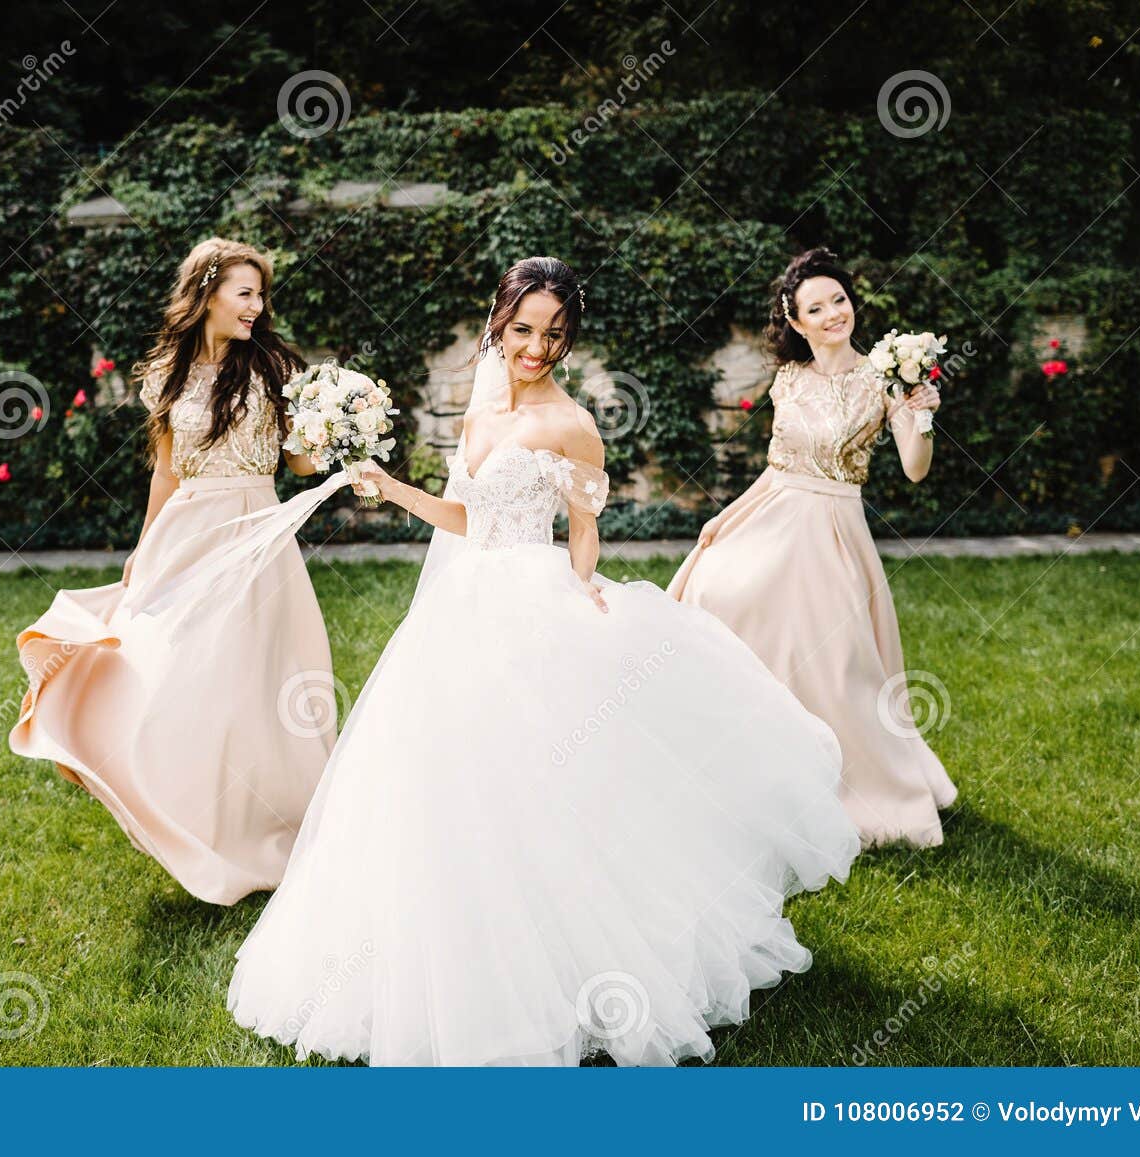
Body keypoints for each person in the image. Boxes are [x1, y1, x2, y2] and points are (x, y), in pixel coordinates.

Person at [223, 256, 860, 1066]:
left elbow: (584, 528)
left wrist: (585, 590)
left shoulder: (573, 423)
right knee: (433, 786)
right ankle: (436, 956)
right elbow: (465, 515)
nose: (535, 347)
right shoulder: (480, 415)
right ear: (499, 321)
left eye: (553, 334)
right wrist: (389, 486)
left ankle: (569, 962)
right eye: (523, 329)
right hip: (458, 614)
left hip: (534, 598)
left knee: (543, 785)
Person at [8, 238, 336, 905]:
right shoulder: (166, 373)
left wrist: (326, 429)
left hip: (255, 532)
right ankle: (177, 803)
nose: (257, 306)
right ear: (208, 292)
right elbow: (166, 468)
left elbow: (298, 465)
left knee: (256, 681)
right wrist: (144, 544)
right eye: (245, 292)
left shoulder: (274, 365)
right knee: (166, 667)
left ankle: (278, 824)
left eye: (261, 295)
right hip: (187, 530)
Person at [668, 247, 956, 847]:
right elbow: (777, 468)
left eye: (840, 301)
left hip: (833, 532)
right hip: (775, 514)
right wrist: (726, 515)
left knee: (836, 665)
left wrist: (921, 414)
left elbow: (915, 470)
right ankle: (749, 773)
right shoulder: (789, 379)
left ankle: (865, 786)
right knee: (719, 592)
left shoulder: (884, 380)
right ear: (795, 322)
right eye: (816, 308)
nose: (833, 314)